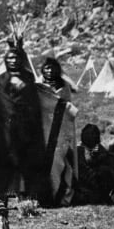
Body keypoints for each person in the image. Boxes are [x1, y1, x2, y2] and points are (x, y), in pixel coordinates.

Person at [0, 43, 46, 204]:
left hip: (25, 127)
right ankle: (2, 194)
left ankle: (26, 194)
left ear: (21, 60)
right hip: (4, 127)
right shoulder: (0, 79)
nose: (13, 61)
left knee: (25, 159)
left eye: (16, 58)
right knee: (5, 160)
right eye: (10, 58)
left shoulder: (28, 77)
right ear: (6, 60)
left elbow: (32, 102)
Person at [37, 57, 78, 207]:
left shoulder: (64, 86)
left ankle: (60, 196)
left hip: (61, 128)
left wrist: (59, 104)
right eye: (47, 68)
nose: (49, 71)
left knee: (59, 160)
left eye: (52, 68)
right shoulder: (38, 87)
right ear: (42, 70)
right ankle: (44, 197)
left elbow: (68, 106)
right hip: (44, 128)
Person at [73, 124, 114, 205]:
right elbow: (81, 168)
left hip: (99, 181)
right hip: (84, 182)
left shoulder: (101, 149)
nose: (90, 136)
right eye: (88, 133)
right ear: (83, 135)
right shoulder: (79, 150)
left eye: (93, 134)